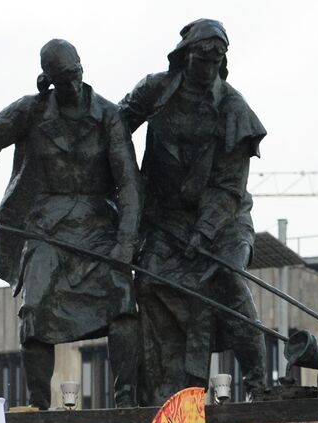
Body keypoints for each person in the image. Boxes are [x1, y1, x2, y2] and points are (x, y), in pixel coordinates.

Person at [0, 39, 142, 408]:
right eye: (64, 79)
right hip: (44, 227)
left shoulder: (108, 116)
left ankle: (126, 399)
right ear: (50, 80)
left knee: (122, 298)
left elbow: (129, 184)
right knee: (35, 308)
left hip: (98, 227)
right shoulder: (31, 111)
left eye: (76, 75)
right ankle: (39, 405)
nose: (73, 85)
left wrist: (125, 243)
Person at [119, 19, 268, 403]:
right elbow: (114, 130)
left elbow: (229, 186)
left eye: (216, 61)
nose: (208, 68)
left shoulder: (234, 110)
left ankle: (258, 383)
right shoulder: (155, 89)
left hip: (224, 220)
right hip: (166, 219)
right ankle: (165, 390)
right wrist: (125, 184)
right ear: (185, 56)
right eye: (202, 59)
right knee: (149, 282)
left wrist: (203, 232)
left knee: (228, 280)